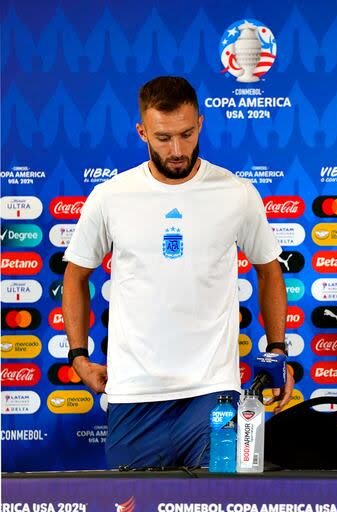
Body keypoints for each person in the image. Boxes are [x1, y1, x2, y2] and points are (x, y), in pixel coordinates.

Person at [62, 76, 293, 469]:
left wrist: (277, 350)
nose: (177, 150)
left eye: (186, 134)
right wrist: (78, 356)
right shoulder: (111, 196)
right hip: (133, 394)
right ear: (142, 133)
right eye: (163, 138)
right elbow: (75, 276)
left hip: (214, 394)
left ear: (200, 123)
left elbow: (269, 270)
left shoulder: (236, 192)